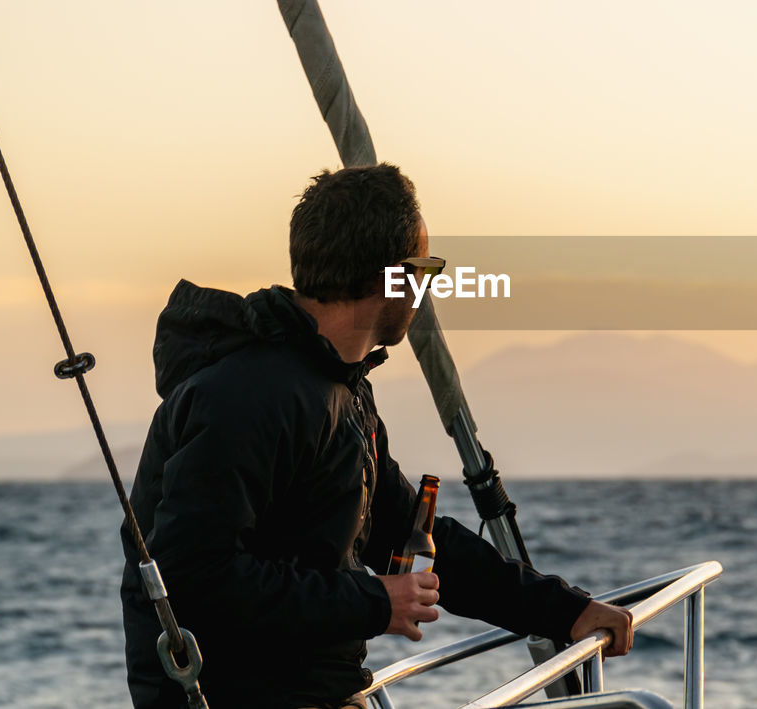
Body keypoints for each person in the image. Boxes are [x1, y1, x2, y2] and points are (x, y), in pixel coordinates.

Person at [120, 164, 632, 709]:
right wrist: (373, 602)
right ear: (393, 276)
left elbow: (410, 536)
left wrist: (566, 610)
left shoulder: (339, 389)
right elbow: (190, 577)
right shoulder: (249, 395)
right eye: (426, 269)